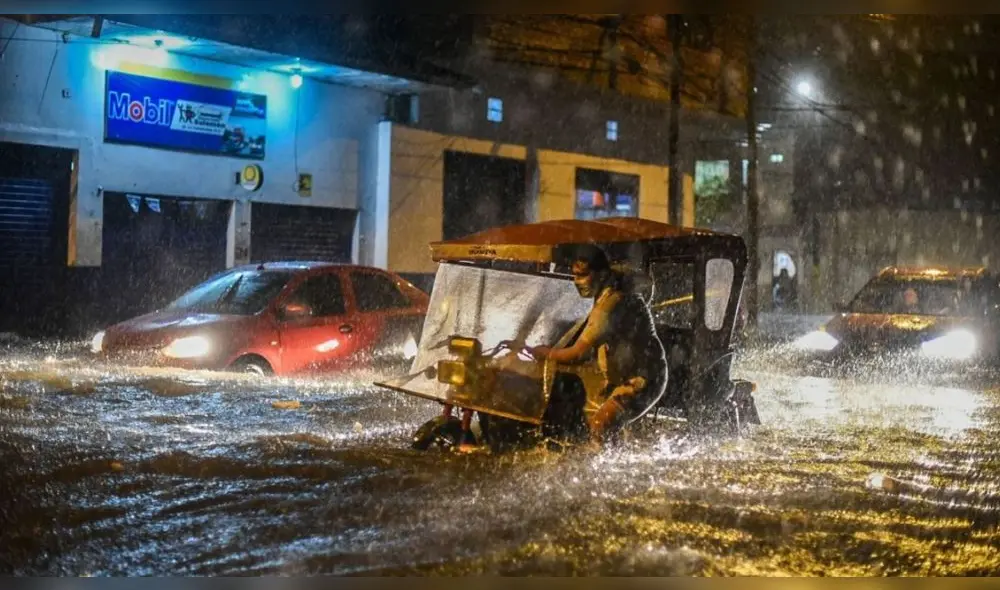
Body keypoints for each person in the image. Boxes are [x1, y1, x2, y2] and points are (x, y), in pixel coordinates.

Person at [525, 245, 668, 446]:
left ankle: (608, 474)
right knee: (610, 434)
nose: (577, 281)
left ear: (601, 275)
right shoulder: (605, 295)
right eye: (574, 275)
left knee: (600, 426)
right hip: (624, 376)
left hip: (643, 379)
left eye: (583, 275)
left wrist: (542, 352)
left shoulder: (610, 305)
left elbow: (576, 354)